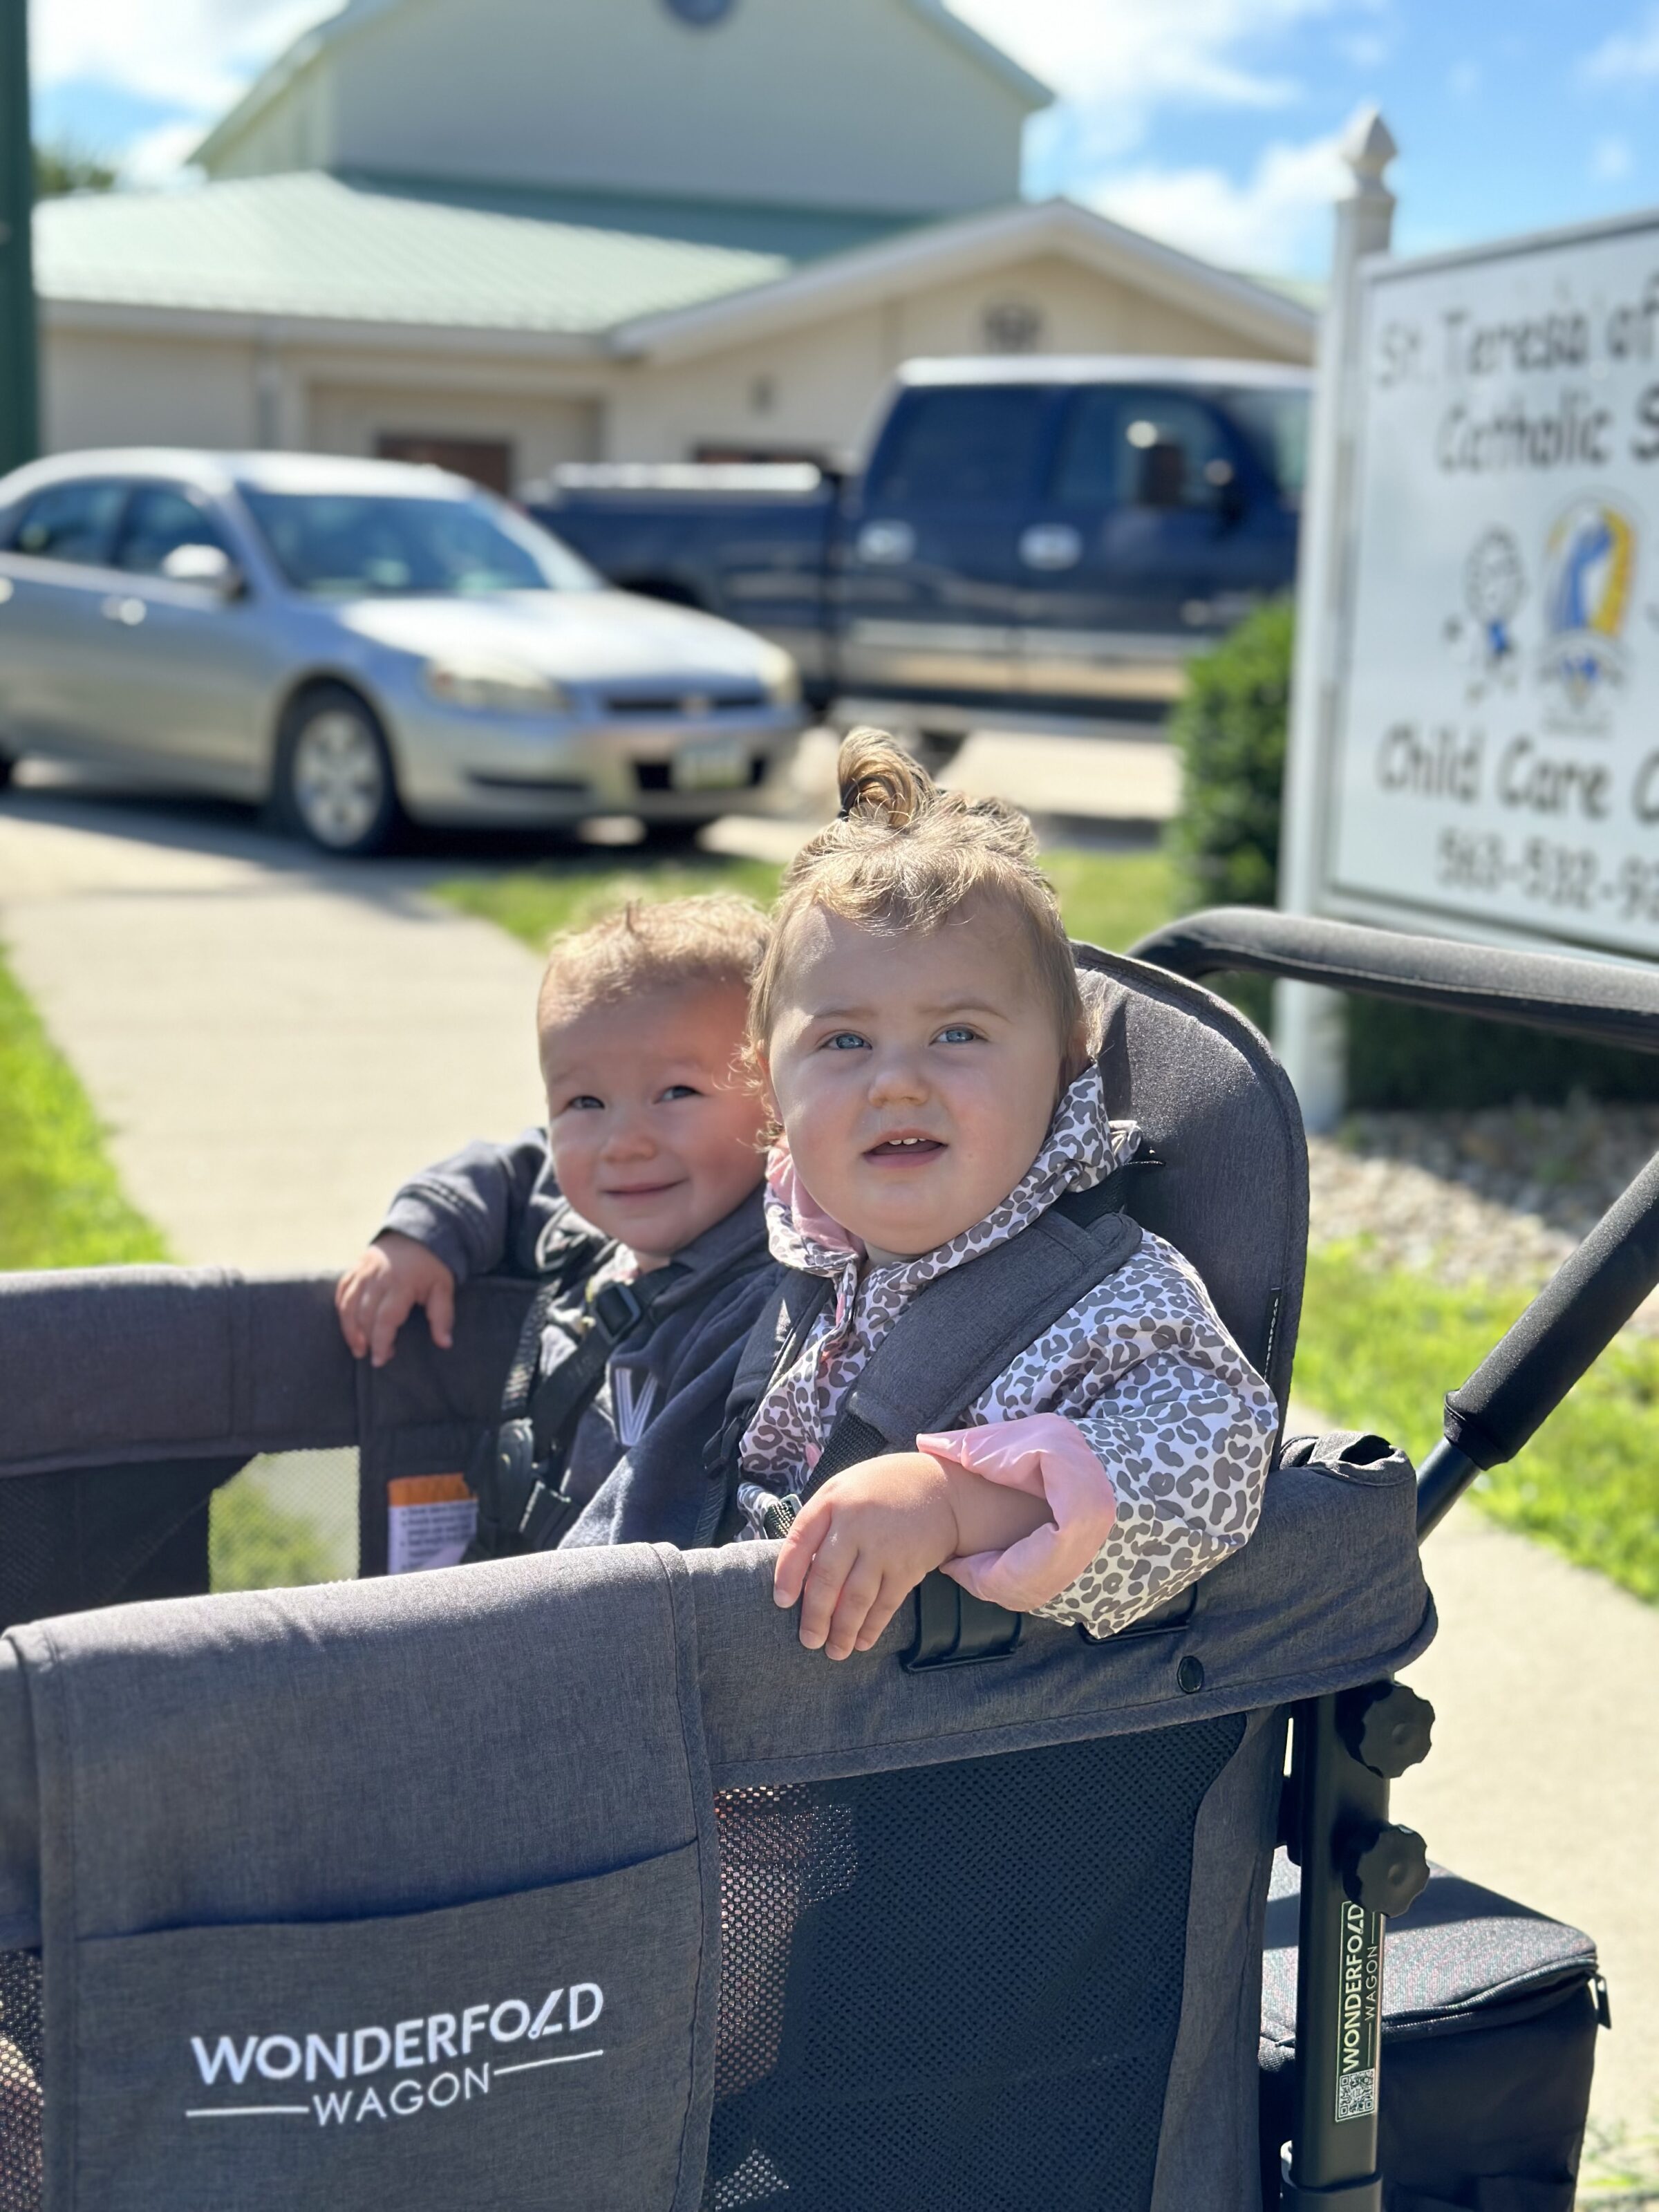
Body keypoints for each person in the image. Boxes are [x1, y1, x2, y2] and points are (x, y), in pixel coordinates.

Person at [740, 730, 1280, 1660]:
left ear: (1067, 1060)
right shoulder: (802, 1244)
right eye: (843, 1044)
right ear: (769, 1086)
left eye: (958, 1036)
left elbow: (1217, 1461)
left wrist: (957, 1506)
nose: (897, 1084)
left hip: (946, 1756)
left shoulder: (1110, 1302)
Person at [334, 894, 778, 1544]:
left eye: (677, 1092)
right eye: (584, 1101)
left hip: (617, 1621)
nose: (623, 1143)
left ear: (777, 1095)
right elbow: (514, 1167)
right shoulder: (582, 1224)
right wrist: (419, 1235)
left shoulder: (765, 1305)